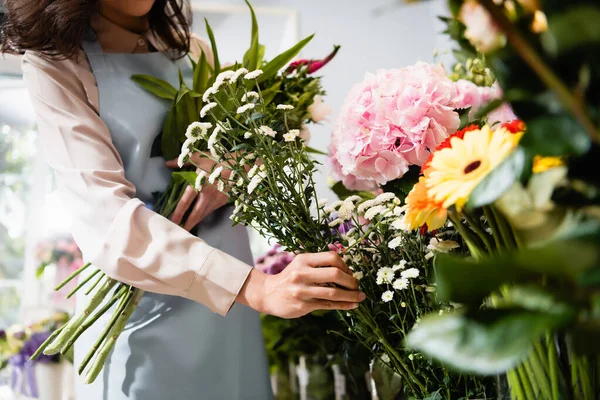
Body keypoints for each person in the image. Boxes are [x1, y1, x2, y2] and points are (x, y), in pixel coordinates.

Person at [0, 1, 366, 398]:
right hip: (146, 307)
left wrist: (233, 168)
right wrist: (257, 288)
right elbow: (106, 219)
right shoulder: (54, 64)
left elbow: (249, 146)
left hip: (231, 309)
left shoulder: (193, 50)